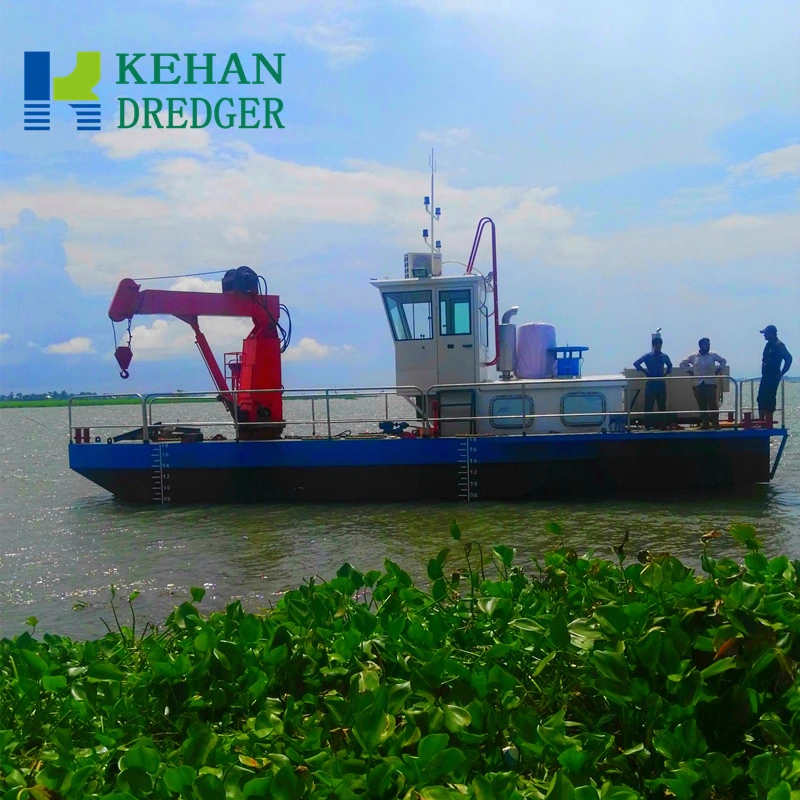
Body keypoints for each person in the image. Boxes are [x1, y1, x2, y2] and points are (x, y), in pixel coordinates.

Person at [680, 338, 727, 429]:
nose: (708, 346)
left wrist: (719, 369)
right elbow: (682, 364)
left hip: (710, 383)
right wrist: (689, 371)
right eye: (707, 345)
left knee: (713, 404)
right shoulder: (694, 356)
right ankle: (705, 423)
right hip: (698, 383)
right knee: (702, 404)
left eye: (709, 345)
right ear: (701, 345)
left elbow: (723, 361)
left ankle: (715, 423)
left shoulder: (712, 355)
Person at [633, 337, 672, 429]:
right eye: (657, 345)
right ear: (654, 345)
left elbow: (670, 366)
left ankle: (662, 424)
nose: (659, 346)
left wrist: (665, 374)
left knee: (662, 404)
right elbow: (636, 363)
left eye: (660, 345)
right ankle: (647, 424)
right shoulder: (647, 356)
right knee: (648, 405)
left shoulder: (664, 356)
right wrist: (645, 372)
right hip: (651, 383)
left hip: (660, 382)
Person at [757, 325, 792, 426]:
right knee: (761, 398)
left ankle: (768, 422)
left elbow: (789, 358)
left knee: (769, 398)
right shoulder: (768, 345)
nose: (764, 335)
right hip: (765, 376)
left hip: (773, 377)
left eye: (765, 333)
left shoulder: (779, 345)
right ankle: (761, 421)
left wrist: (782, 373)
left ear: (771, 333)